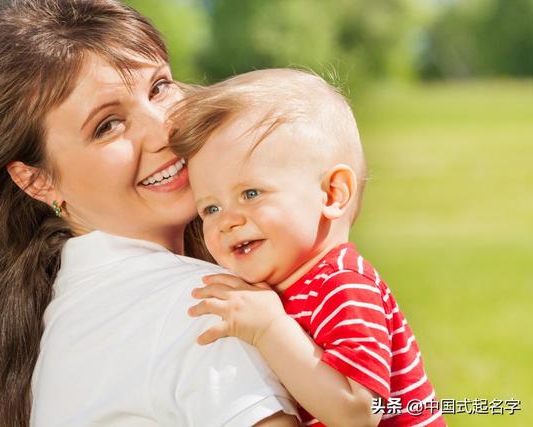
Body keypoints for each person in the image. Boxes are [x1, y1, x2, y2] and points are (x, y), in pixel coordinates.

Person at [0, 2, 300, 426]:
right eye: (107, 125)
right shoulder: (207, 308)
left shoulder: (67, 314)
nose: (164, 130)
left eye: (159, 87)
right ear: (37, 181)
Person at [170, 69, 446, 426]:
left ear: (332, 193)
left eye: (251, 193)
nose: (227, 220)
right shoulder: (276, 290)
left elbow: (359, 414)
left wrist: (269, 328)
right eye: (210, 208)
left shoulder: (342, 284)